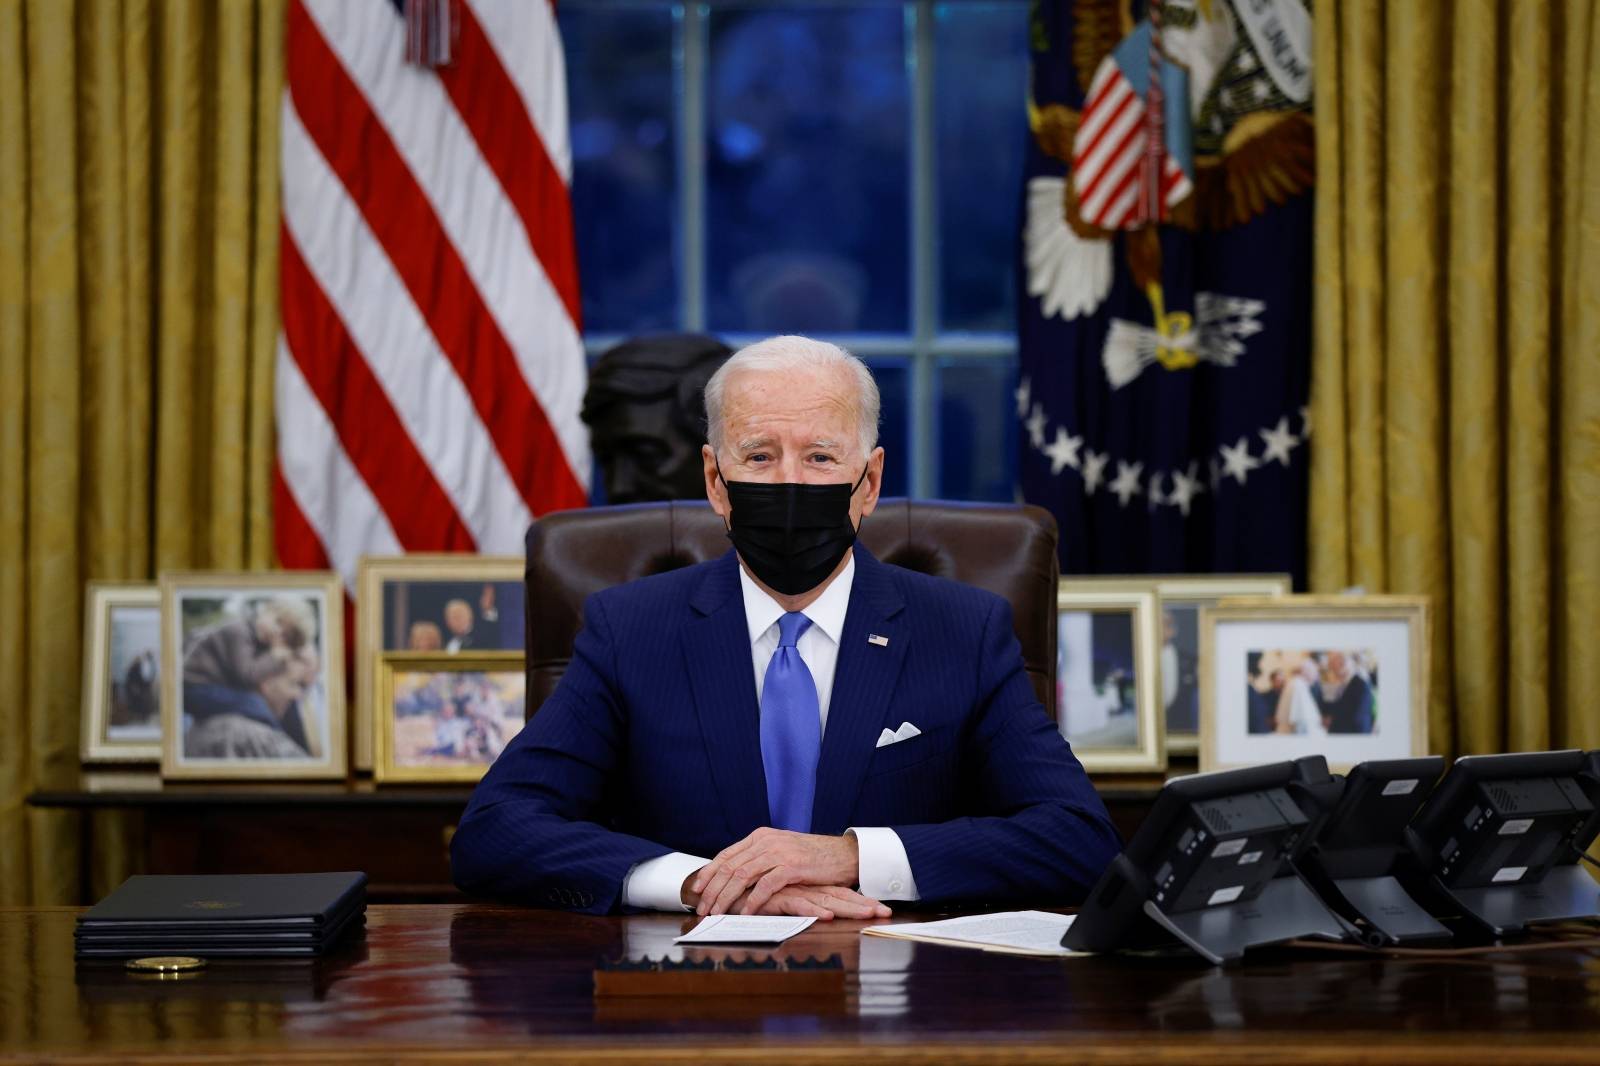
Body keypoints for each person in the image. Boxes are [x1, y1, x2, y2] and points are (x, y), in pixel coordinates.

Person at [451, 335, 1121, 920]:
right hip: (692, 995)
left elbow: (1077, 837)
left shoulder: (963, 631)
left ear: (869, 482)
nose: (791, 482)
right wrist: (703, 882)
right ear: (716, 480)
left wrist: (852, 856)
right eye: (761, 457)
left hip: (901, 1002)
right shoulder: (631, 629)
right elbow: (496, 830)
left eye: (821, 458)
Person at [182, 597, 320, 758]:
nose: (277, 632)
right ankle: (275, 733)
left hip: (206, 689)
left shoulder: (254, 638)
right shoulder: (238, 631)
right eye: (278, 622)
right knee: (254, 703)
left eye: (284, 636)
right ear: (266, 609)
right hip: (195, 688)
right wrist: (276, 656)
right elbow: (248, 675)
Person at [1315, 650, 1376, 734]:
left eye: (1333, 668)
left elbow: (1359, 721)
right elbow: (1342, 707)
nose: (1332, 672)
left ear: (1342, 665)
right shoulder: (1345, 684)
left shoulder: (1360, 686)